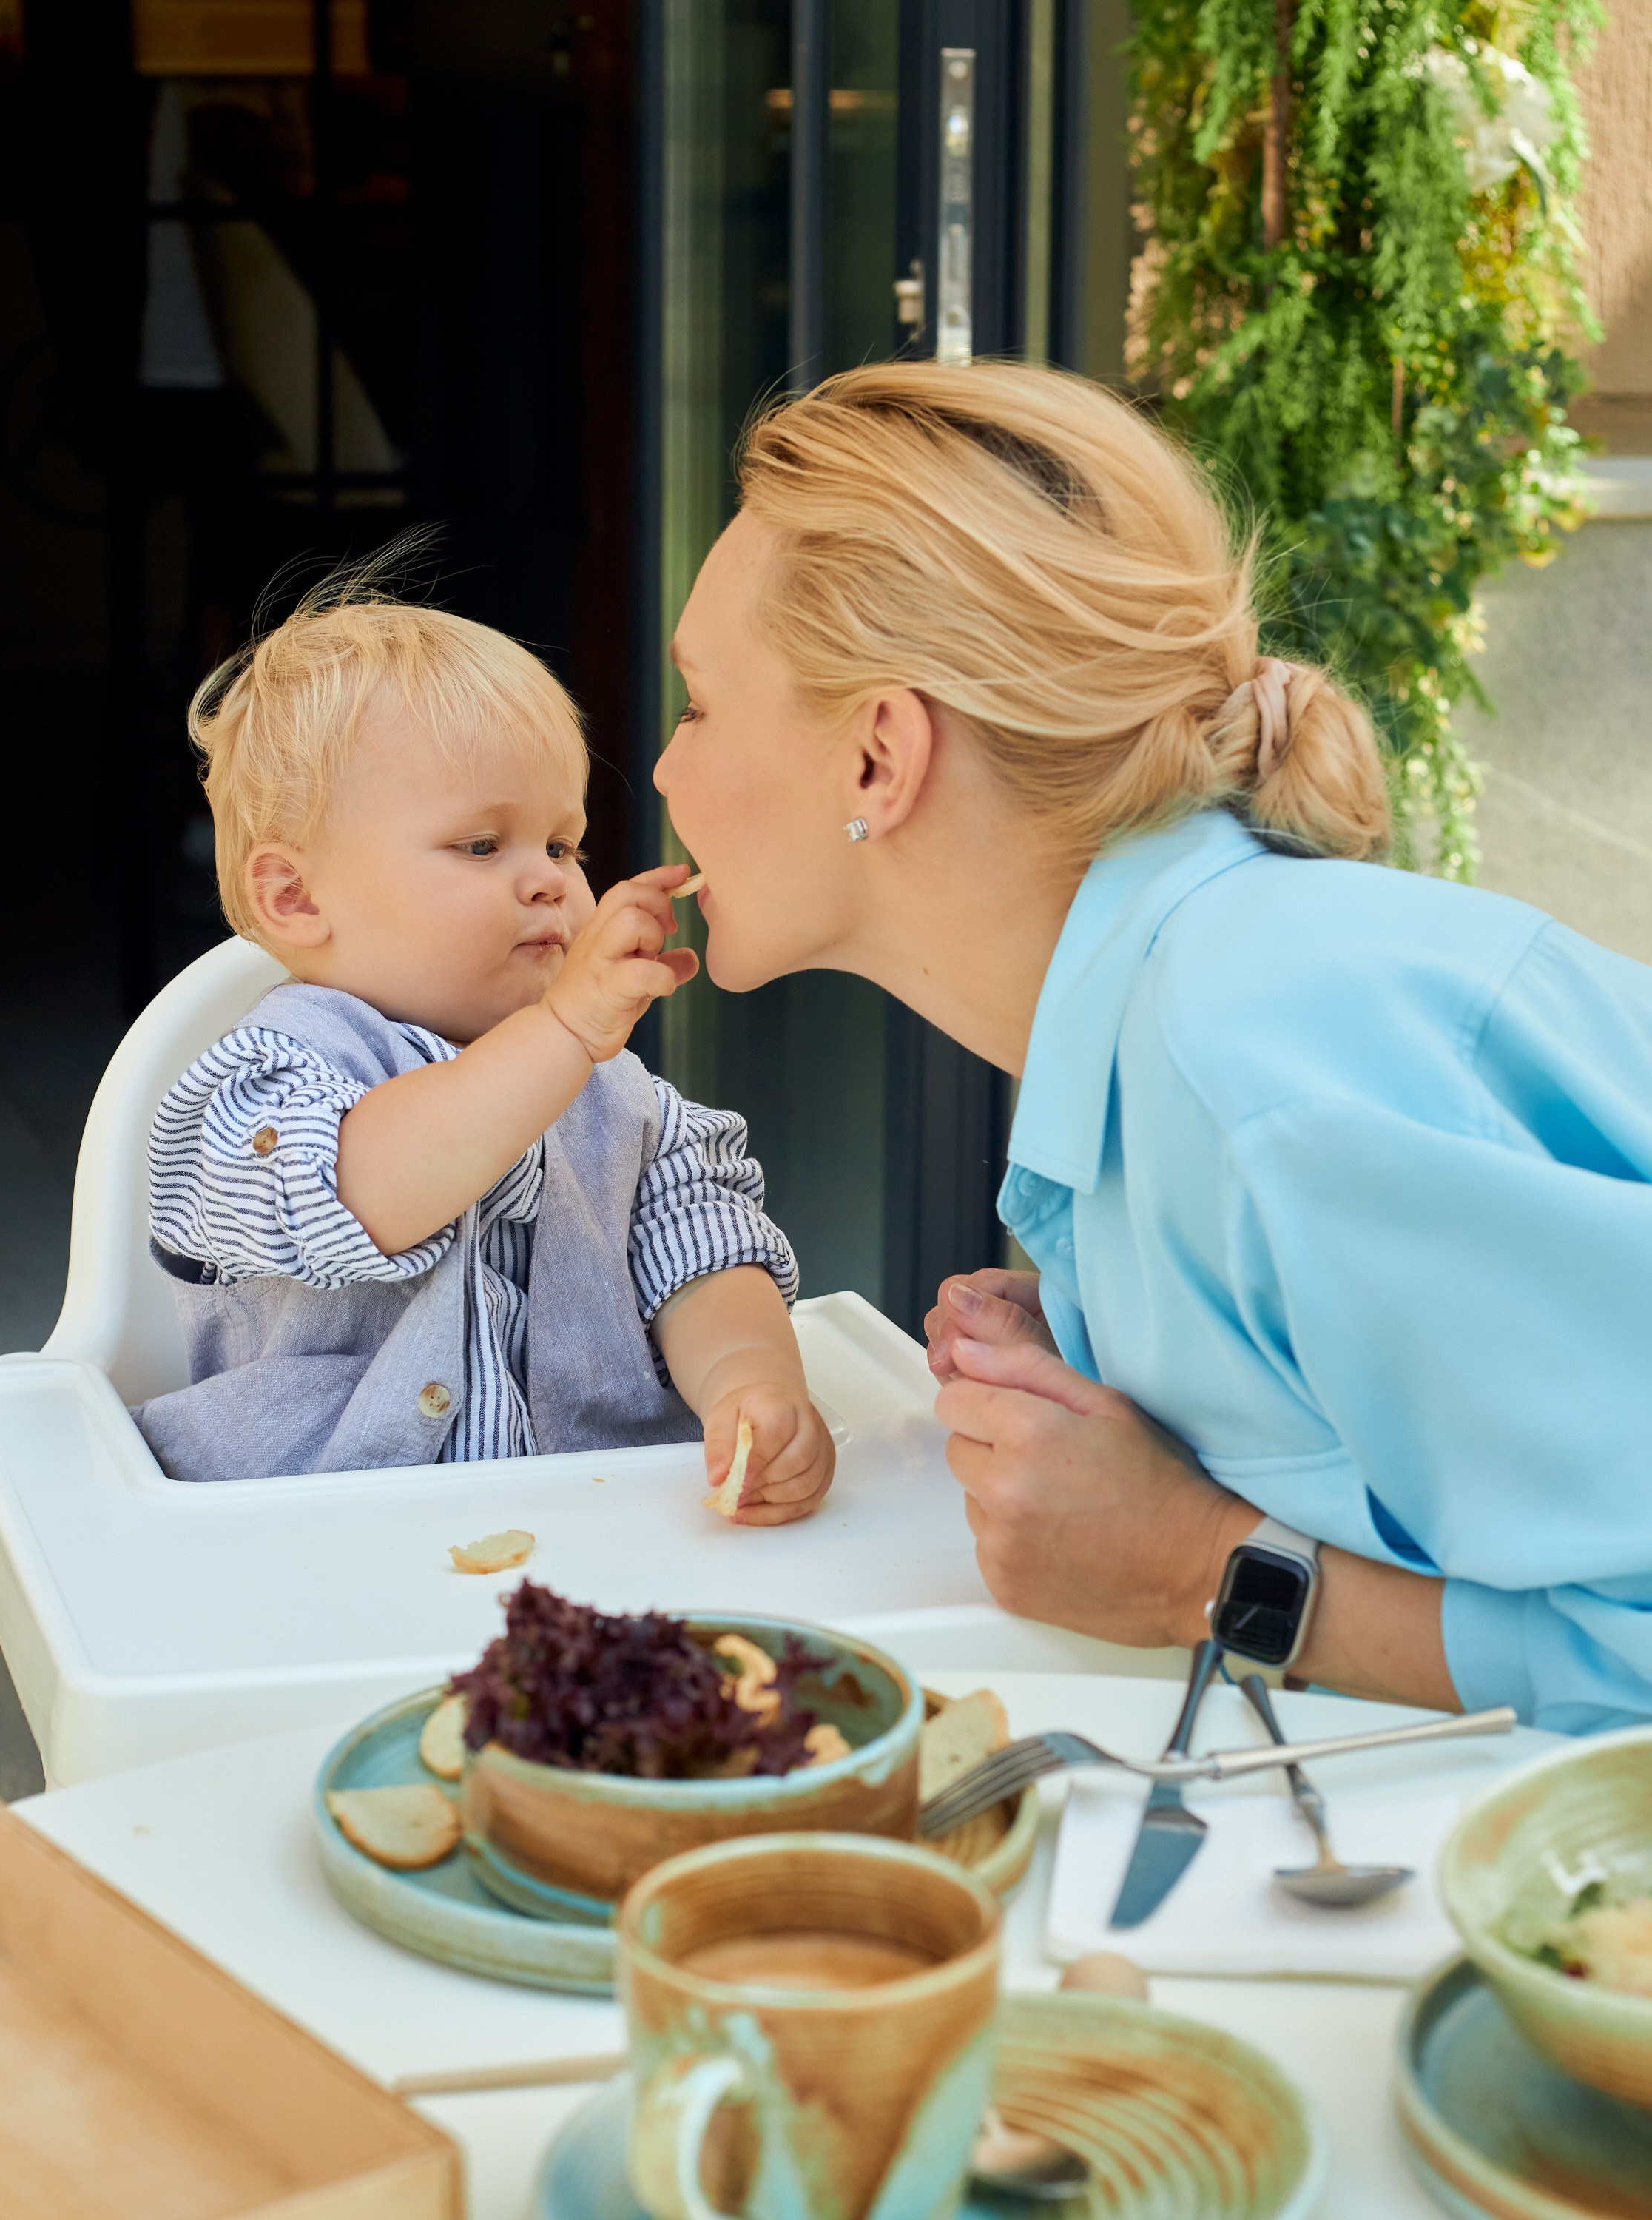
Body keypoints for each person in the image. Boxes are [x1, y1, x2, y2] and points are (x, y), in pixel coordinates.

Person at [654, 357, 1652, 1733]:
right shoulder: (1167, 1047)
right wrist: (1130, 1346)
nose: (662, 770)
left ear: (879, 759)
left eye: (698, 702)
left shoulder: (1263, 1068)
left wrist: (1197, 1569)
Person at [134, 570, 834, 1523]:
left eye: (563, 845)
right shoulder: (266, 1084)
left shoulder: (618, 1098)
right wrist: (559, 1036)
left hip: (589, 1527)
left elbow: (704, 1251)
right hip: (310, 1543)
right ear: (295, 898)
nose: (547, 882)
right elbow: (365, 1190)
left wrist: (751, 1383)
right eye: (480, 846)